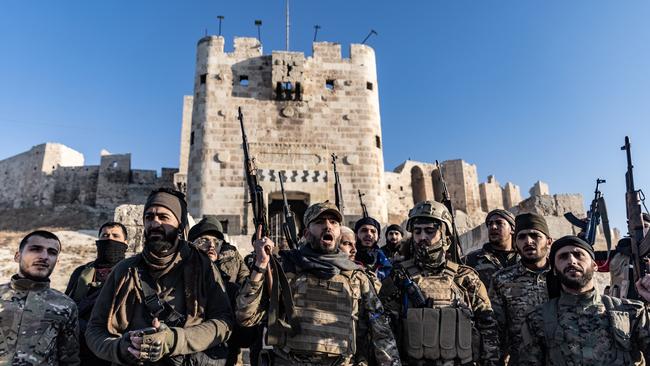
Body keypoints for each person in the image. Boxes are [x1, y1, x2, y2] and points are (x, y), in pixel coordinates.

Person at [236, 201, 401, 366]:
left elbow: (381, 331)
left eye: (333, 222)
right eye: (320, 222)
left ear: (339, 231)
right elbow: (246, 317)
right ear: (307, 233)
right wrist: (260, 266)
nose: (328, 226)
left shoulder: (356, 276)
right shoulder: (285, 269)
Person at [86, 188, 233, 365]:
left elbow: (224, 323)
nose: (155, 223)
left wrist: (173, 340)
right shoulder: (124, 270)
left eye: (163, 217)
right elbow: (94, 330)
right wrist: (120, 348)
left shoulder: (202, 267)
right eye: (149, 217)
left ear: (179, 224)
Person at [380, 200, 500, 366]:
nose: (422, 237)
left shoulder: (465, 277)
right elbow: (384, 330)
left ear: (446, 237)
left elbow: (488, 327)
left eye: (430, 231)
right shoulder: (399, 276)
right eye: (417, 232)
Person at [520, 235, 650, 365]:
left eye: (578, 255)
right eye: (563, 257)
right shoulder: (537, 319)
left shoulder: (631, 312)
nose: (571, 260)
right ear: (554, 270)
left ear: (594, 265)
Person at [0, 230, 80, 365]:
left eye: (52, 252)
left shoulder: (66, 306)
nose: (44, 256)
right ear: (17, 256)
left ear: (57, 261)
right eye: (35, 249)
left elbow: (70, 359)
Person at [488, 212, 552, 365]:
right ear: (516, 243)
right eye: (521, 237)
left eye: (535, 235)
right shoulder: (501, 279)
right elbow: (495, 329)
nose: (528, 241)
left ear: (549, 242)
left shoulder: (563, 275)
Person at [188, 216, 252, 366]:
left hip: (225, 346)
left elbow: (246, 287)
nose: (211, 245)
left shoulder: (232, 268)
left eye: (216, 242)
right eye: (204, 240)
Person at [65, 221, 129, 365]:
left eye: (115, 236)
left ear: (125, 243)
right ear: (98, 241)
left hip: (112, 347)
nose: (110, 239)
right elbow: (67, 305)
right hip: (78, 347)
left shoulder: (131, 273)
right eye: (105, 235)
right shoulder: (81, 272)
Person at [464, 209, 519, 288]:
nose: (493, 227)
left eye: (499, 223)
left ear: (512, 229)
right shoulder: (470, 260)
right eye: (490, 224)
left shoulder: (523, 258)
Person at [609, 212, 650, 300]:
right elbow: (592, 262)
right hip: (620, 309)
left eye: (646, 226)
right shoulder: (619, 253)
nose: (641, 230)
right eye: (636, 228)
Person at [354, 216, 393, 280]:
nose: (369, 234)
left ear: (378, 237)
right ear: (356, 235)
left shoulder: (384, 263)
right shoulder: (349, 258)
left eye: (373, 231)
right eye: (364, 230)